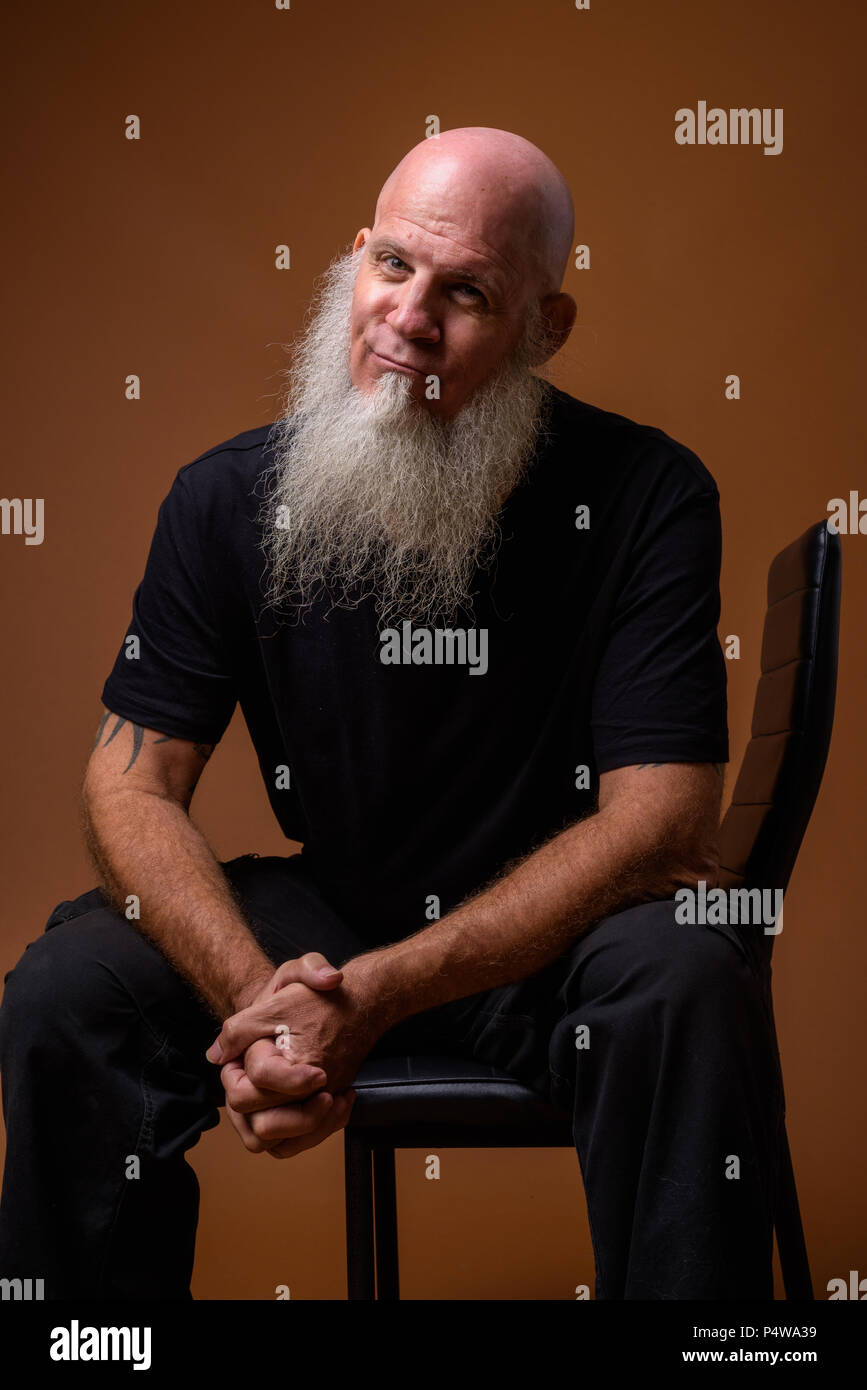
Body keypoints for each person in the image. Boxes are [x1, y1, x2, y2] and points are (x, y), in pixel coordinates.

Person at [0, 127, 783, 1300]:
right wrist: (260, 1010)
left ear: (543, 329)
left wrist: (375, 997)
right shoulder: (224, 499)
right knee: (68, 992)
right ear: (352, 263)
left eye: (468, 292)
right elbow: (130, 781)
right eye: (396, 268)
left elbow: (666, 823)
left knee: (684, 978)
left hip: (557, 937)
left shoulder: (648, 493)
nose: (410, 318)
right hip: (328, 914)